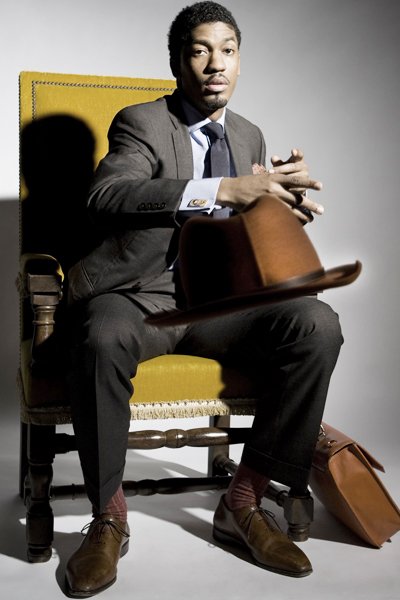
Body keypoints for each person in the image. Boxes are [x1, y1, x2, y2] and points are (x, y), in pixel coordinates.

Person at [65, 2, 343, 596]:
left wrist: (280, 210)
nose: (215, 64)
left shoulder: (249, 134)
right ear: (177, 62)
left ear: (240, 61)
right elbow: (107, 196)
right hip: (140, 296)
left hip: (220, 304)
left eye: (228, 51)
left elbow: (243, 232)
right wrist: (223, 187)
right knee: (101, 336)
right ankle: (108, 517)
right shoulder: (141, 122)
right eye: (199, 51)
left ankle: (244, 500)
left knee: (316, 322)